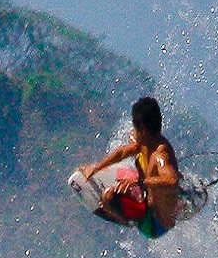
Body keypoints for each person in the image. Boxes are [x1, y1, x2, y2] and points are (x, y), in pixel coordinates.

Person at [77, 96, 182, 239]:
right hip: (149, 194)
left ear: (143, 129)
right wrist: (97, 168)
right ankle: (139, 187)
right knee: (131, 142)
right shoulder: (147, 141)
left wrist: (140, 182)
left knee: (108, 196)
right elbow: (123, 152)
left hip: (155, 222)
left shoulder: (160, 156)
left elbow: (171, 180)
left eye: (136, 127)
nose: (134, 130)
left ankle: (123, 218)